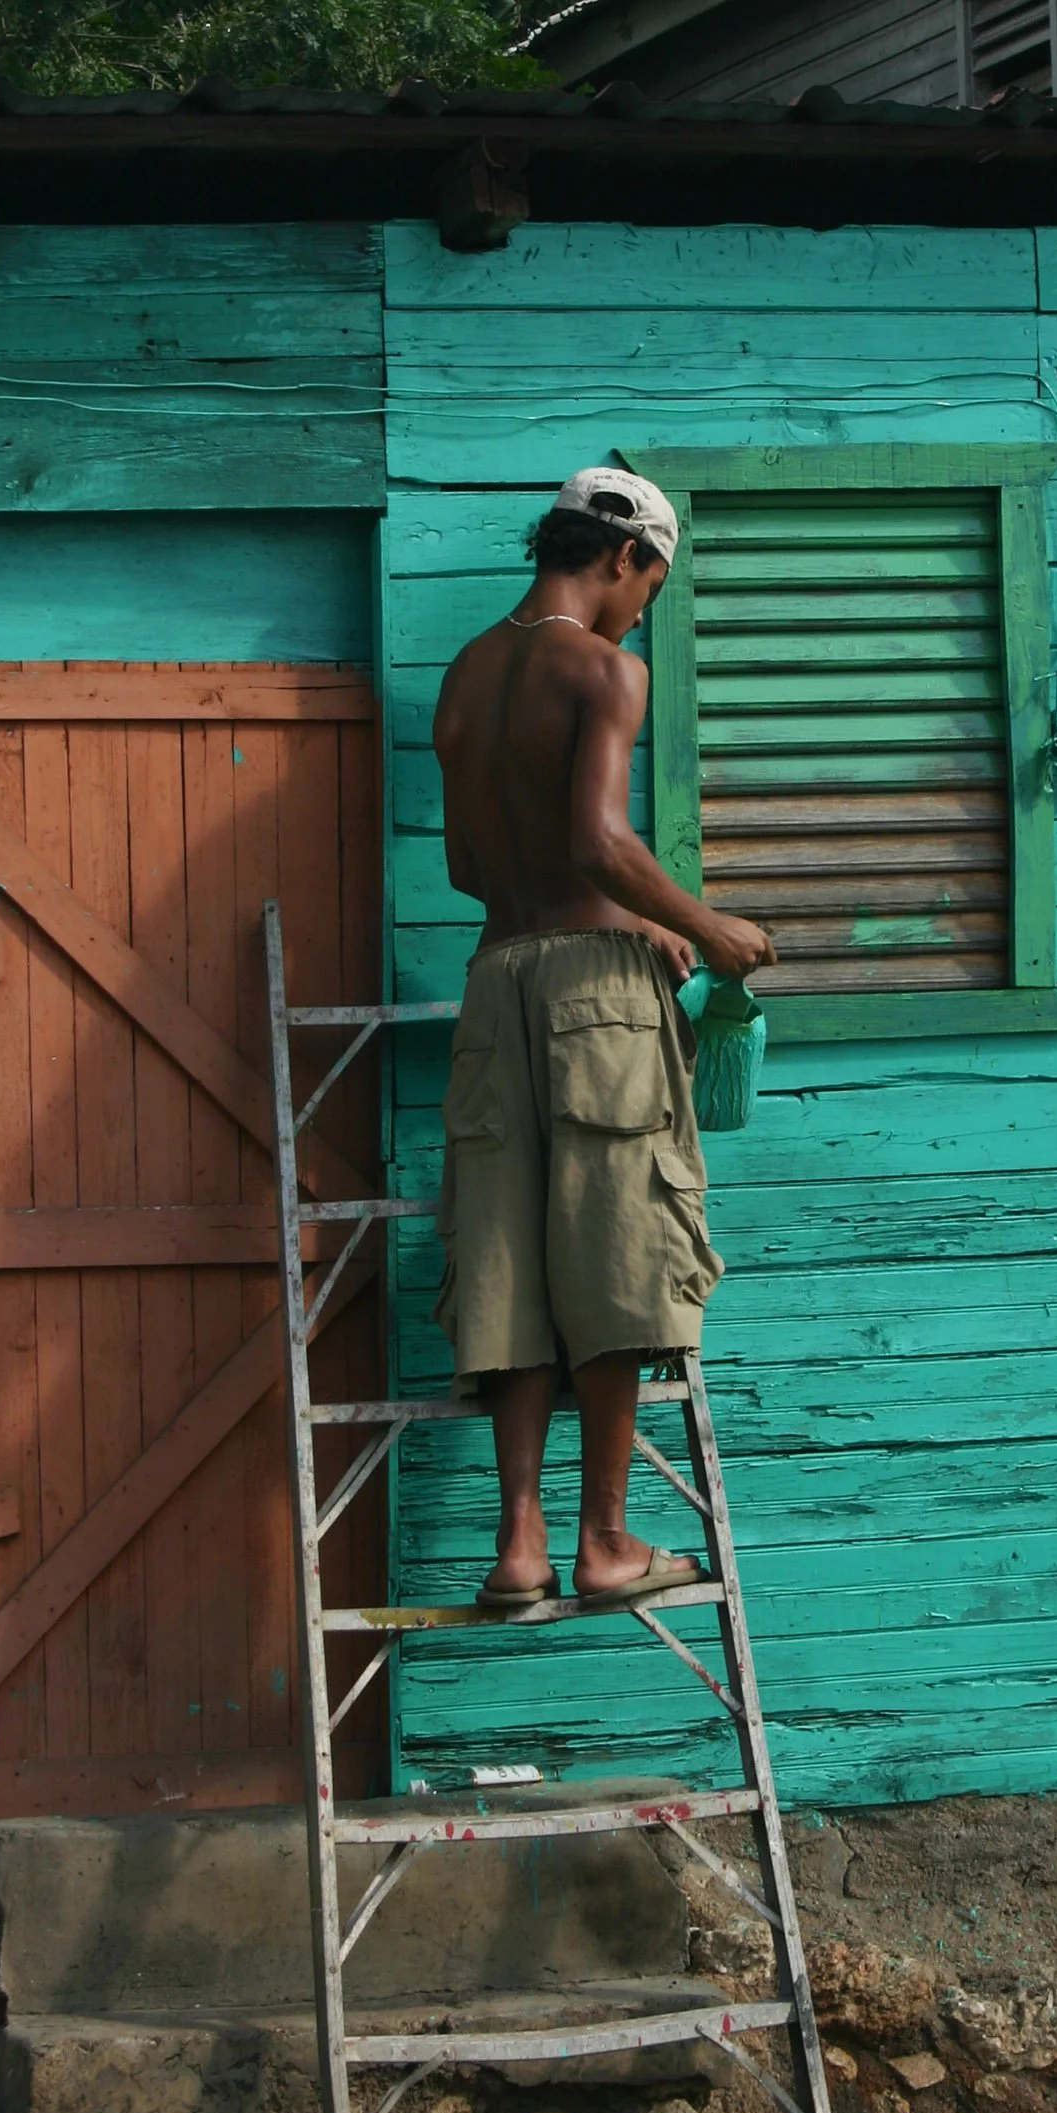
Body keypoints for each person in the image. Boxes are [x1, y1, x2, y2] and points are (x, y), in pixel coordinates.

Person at [432, 464, 776, 1611]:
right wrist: (705, 927)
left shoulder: (468, 677)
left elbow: (474, 870)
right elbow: (593, 838)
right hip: (593, 998)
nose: (643, 613)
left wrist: (619, 907)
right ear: (625, 556)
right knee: (612, 1255)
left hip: (497, 983)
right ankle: (606, 1541)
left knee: (511, 1260)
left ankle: (519, 1547)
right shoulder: (599, 668)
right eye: (652, 588)